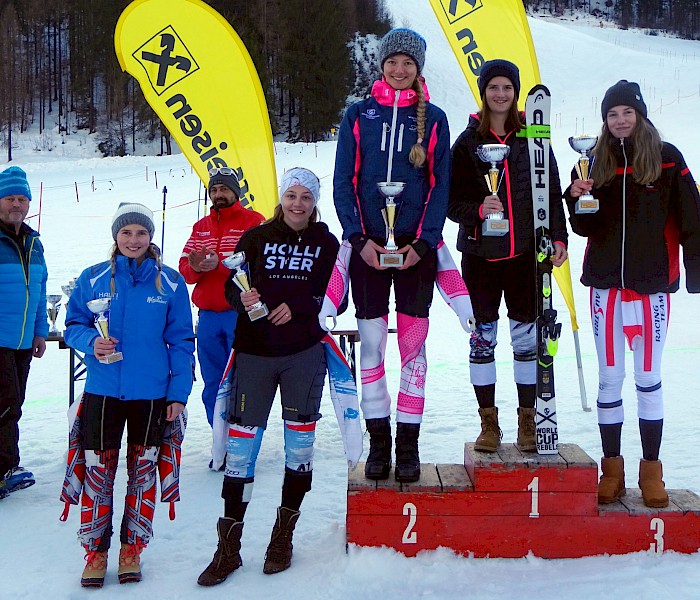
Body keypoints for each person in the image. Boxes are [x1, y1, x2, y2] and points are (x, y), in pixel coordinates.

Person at [198, 168, 338, 586]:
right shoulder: (257, 237)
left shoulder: (327, 243)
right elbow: (229, 288)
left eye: (306, 198)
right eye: (292, 196)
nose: (298, 204)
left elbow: (336, 294)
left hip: (303, 354)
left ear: (314, 203)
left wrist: (302, 306)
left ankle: (282, 537)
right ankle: (229, 547)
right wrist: (241, 298)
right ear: (282, 198)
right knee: (241, 454)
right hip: (255, 354)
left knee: (299, 447)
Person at [565, 80, 700, 508]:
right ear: (604, 121)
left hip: (650, 289)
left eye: (626, 112)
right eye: (612, 114)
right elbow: (584, 227)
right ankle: (613, 470)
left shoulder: (666, 158)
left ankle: (651, 472)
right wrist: (575, 198)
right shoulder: (591, 163)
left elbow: (692, 216)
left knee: (648, 379)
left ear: (639, 114)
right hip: (605, 288)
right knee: (610, 379)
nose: (620, 120)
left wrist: (694, 273)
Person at [333, 28, 450, 483]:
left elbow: (440, 185)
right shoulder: (359, 114)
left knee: (414, 348)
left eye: (408, 64)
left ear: (419, 69)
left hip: (415, 250)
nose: (400, 71)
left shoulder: (434, 118)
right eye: (393, 62)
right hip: (368, 252)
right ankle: (379, 441)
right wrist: (358, 238)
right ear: (380, 65)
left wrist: (424, 241)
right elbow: (344, 179)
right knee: (374, 348)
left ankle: (409, 442)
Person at [64, 202, 195, 587]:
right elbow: (73, 324)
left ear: (150, 237)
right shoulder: (93, 278)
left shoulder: (169, 282)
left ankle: (132, 547)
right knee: (98, 473)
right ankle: (95, 550)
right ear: (115, 236)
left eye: (141, 233)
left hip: (152, 395)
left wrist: (178, 394)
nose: (133, 240)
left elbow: (182, 342)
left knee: (143, 472)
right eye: (126, 233)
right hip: (103, 391)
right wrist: (91, 342)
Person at [448, 60, 568, 453]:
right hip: (480, 257)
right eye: (493, 87)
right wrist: (478, 211)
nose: (500, 94)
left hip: (524, 256)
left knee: (525, 340)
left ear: (516, 92)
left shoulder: (533, 137)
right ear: (483, 92)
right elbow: (450, 202)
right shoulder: (467, 143)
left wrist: (560, 237)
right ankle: (488, 422)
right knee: (483, 341)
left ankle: (527, 419)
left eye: (507, 88)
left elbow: (550, 190)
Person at [179, 168, 264, 437]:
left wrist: (219, 266)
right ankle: (220, 438)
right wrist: (196, 267)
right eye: (214, 190)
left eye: (224, 189)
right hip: (207, 316)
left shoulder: (253, 221)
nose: (218, 195)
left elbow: (261, 266)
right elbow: (186, 268)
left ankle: (245, 437)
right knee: (213, 381)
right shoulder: (201, 226)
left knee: (245, 380)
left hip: (240, 314)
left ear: (235, 192)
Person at [0, 166, 47, 498]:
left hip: (21, 341)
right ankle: (4, 469)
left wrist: (40, 331)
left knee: (13, 404)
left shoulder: (33, 241)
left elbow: (40, 290)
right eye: (9, 198)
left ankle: (7, 466)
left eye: (22, 198)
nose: (16, 204)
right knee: (6, 403)